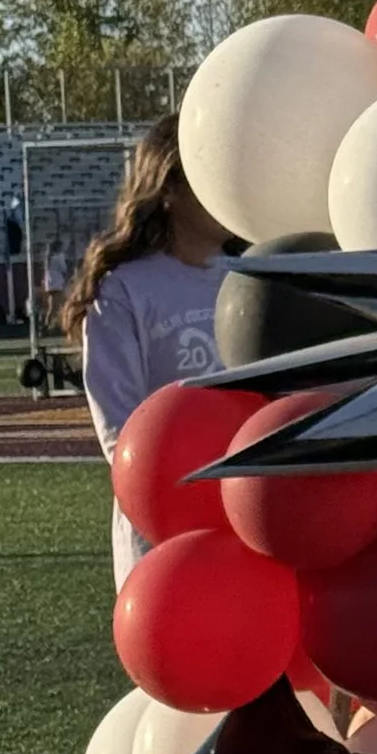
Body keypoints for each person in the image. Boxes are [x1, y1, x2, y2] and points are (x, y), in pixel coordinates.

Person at [65, 116, 235, 584]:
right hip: (163, 530)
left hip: (247, 519)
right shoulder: (125, 290)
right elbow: (119, 430)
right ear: (168, 190)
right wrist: (180, 488)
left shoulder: (252, 279)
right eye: (207, 177)